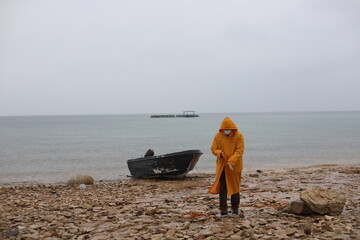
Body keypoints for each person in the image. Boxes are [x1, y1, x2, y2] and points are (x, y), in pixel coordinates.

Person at [208, 117, 245, 216]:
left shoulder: (239, 136)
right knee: (222, 188)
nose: (226, 131)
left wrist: (231, 161)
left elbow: (240, 150)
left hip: (234, 166)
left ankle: (235, 208)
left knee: (235, 187)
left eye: (228, 129)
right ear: (222, 129)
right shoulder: (218, 136)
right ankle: (223, 209)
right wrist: (219, 153)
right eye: (225, 129)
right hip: (222, 166)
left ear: (232, 128)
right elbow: (213, 148)